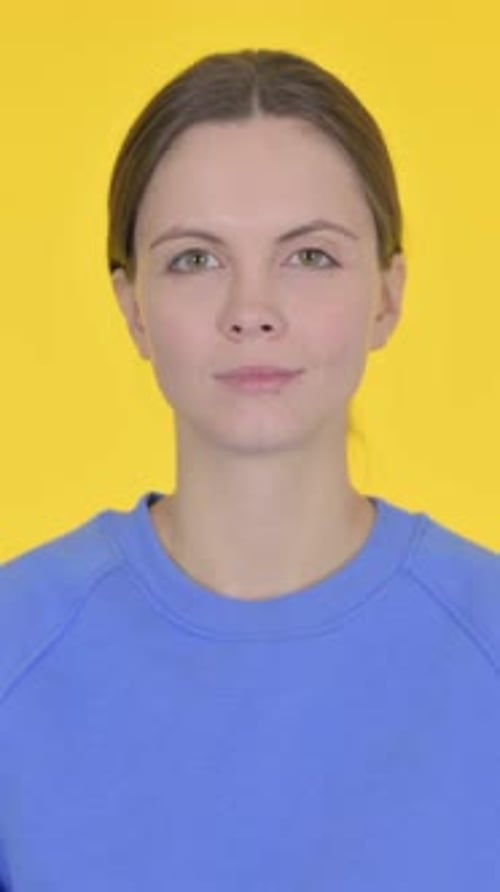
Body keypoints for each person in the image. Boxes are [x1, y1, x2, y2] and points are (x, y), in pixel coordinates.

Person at [0, 48, 498, 891]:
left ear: (388, 294)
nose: (252, 311)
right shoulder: (17, 646)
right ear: (133, 310)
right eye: (196, 259)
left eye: (309, 256)